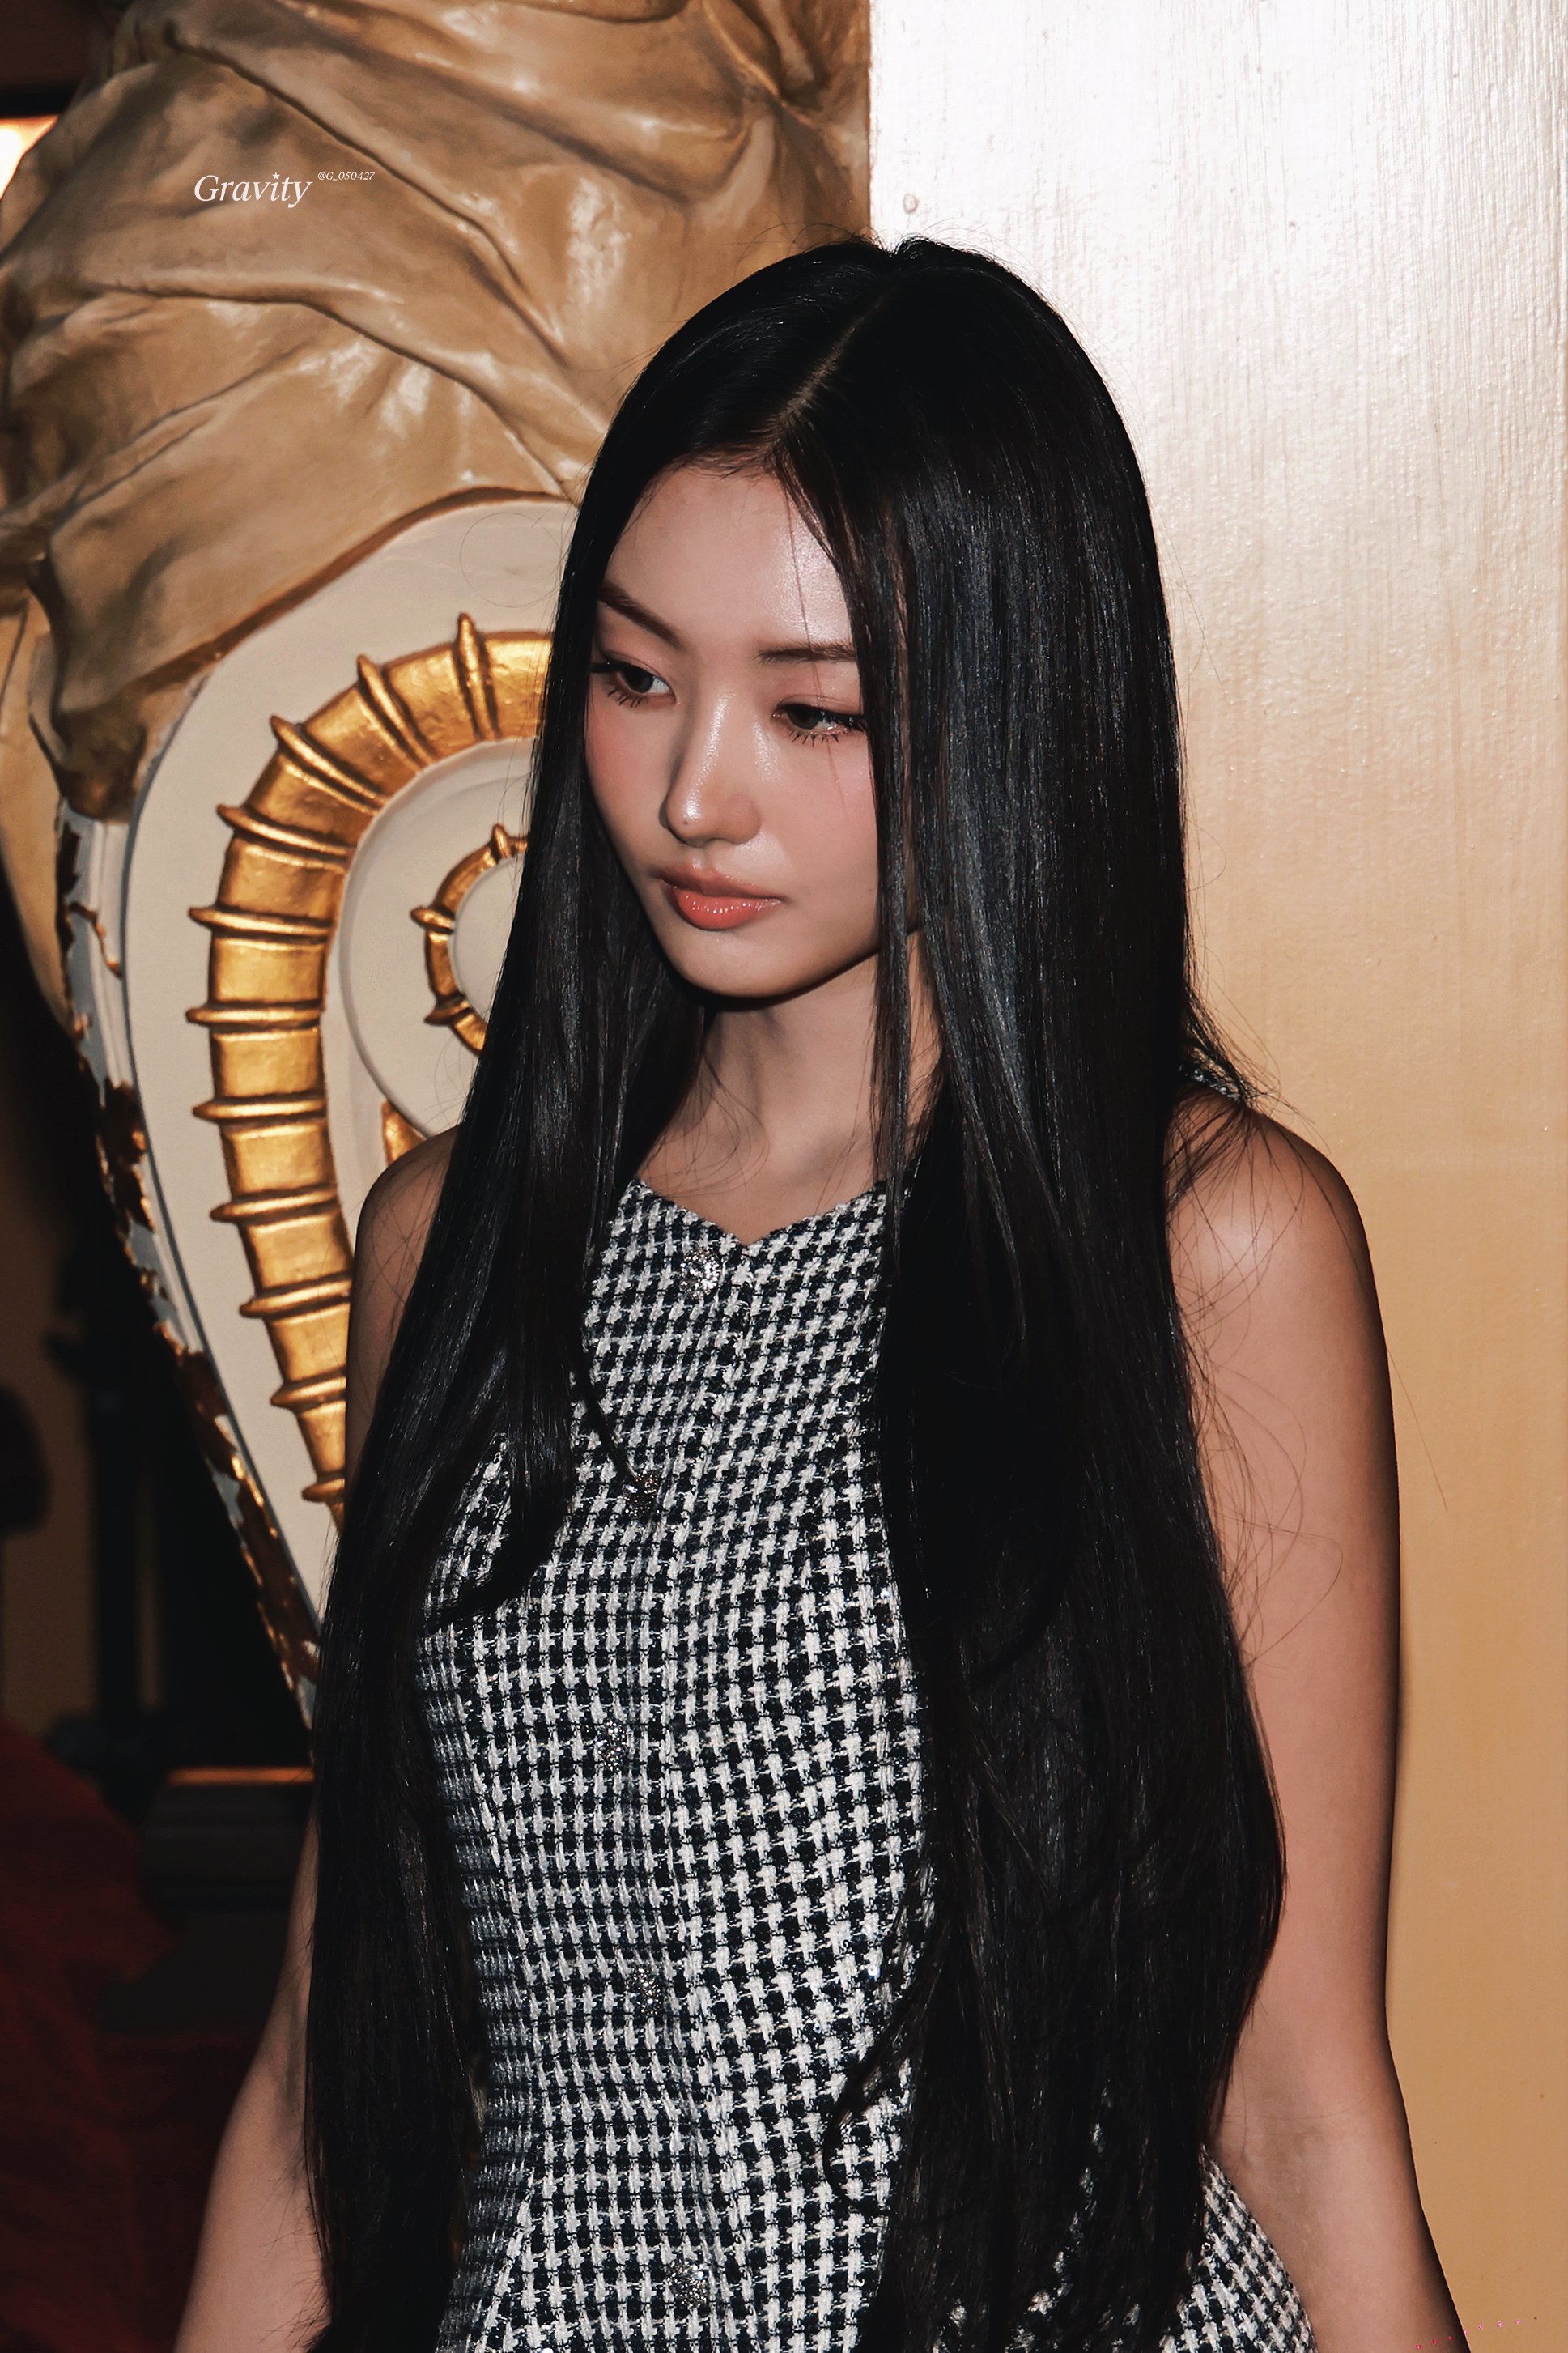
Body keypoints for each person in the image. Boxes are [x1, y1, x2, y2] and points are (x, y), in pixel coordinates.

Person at [175, 238, 1462, 2353]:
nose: (696, 790)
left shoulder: (1202, 1245)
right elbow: (343, 2043)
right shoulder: (452, 1252)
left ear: (1006, 710)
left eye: (813, 710)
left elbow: (1299, 2085)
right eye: (633, 677)